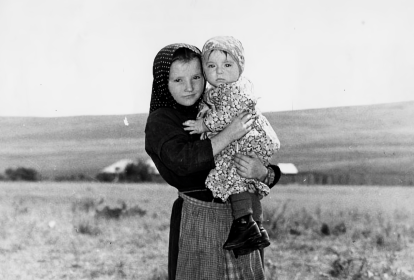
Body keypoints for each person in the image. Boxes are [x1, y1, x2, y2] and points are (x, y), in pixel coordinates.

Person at [145, 43, 281, 280]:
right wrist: (228, 133)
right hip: (199, 219)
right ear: (162, 83)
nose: (189, 87)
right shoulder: (162, 121)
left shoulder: (217, 106)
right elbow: (184, 161)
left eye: (196, 77)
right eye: (178, 80)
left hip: (243, 220)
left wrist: (263, 173)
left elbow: (251, 147)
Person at [183, 36, 280, 253]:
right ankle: (257, 224)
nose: (219, 72)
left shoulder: (235, 91)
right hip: (244, 138)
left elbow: (227, 115)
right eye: (211, 66)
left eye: (227, 65)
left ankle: (244, 223)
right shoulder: (220, 91)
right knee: (245, 179)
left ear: (240, 67)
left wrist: (203, 125)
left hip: (246, 139)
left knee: (234, 173)